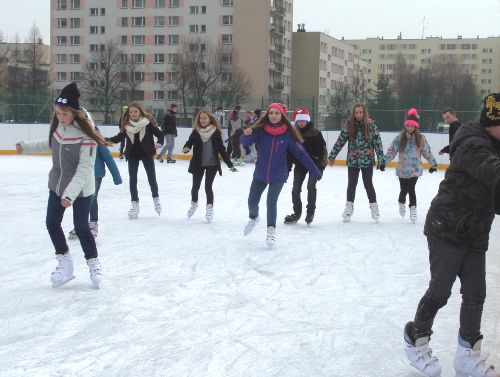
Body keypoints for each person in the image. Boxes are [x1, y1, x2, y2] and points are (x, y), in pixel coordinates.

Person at [403, 93, 500, 377]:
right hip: (447, 227)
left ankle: (467, 353)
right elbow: (492, 172)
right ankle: (416, 340)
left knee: (475, 294)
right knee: (440, 290)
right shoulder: (473, 143)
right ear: (491, 122)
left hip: (475, 231)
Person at [15, 82, 106, 288]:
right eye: (57, 113)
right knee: (51, 223)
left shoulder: (86, 136)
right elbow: (49, 143)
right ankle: (65, 263)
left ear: (74, 113)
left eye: (64, 114)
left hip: (80, 190)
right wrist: (26, 147)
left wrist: (69, 195)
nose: (60, 118)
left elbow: (84, 170)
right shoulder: (59, 127)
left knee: (82, 227)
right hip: (57, 185)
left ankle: (93, 263)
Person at [240, 103, 322, 247]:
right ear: (267, 115)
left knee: (271, 202)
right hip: (260, 173)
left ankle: (271, 230)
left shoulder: (288, 135)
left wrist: (316, 171)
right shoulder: (260, 131)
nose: (273, 115)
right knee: (252, 201)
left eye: (277, 113)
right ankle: (254, 217)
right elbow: (245, 142)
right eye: (271, 113)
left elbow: (302, 154)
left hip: (278, 175)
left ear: (281, 116)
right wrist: (246, 133)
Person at [328, 103, 384, 222]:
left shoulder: (371, 125)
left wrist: (381, 159)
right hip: (353, 160)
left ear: (364, 113)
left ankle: (374, 208)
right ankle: (349, 208)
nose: (359, 115)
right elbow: (340, 141)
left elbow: (377, 143)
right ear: (354, 113)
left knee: (368, 184)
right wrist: (332, 156)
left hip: (367, 160)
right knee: (351, 184)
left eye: (361, 112)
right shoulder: (349, 125)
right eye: (356, 112)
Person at [107, 102, 163, 219]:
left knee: (151, 178)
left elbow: (160, 134)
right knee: (133, 180)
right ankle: (135, 205)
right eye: (131, 112)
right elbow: (119, 138)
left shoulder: (147, 123)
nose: (133, 114)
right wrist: (106, 140)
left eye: (135, 111)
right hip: (132, 155)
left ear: (140, 112)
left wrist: (159, 142)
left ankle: (156, 199)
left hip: (146, 154)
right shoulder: (127, 125)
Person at [68, 118, 123, 239]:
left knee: (91, 199)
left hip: (96, 176)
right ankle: (79, 225)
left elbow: (109, 159)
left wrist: (117, 177)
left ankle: (93, 224)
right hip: (81, 176)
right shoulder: (79, 142)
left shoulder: (98, 143)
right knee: (79, 200)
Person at [380, 108, 437, 223]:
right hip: (402, 169)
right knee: (403, 190)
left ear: (415, 126)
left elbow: (426, 152)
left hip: (415, 169)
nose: (410, 128)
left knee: (411, 188)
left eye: (412, 126)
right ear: (405, 126)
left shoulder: (420, 138)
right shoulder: (400, 138)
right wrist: (383, 162)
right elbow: (392, 151)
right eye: (408, 126)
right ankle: (401, 202)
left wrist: (433, 164)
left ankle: (413, 207)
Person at [182, 110, 237, 222]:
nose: (202, 120)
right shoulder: (196, 131)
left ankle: (209, 207)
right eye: (201, 118)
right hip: (198, 163)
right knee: (195, 186)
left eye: (204, 118)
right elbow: (188, 143)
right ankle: (194, 203)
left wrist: (230, 165)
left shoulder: (216, 132)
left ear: (210, 119)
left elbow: (222, 150)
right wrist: (186, 148)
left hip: (212, 164)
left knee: (208, 186)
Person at [284, 107, 327, 225]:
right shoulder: (294, 133)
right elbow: (290, 153)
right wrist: (287, 169)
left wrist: (320, 167)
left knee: (310, 186)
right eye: (299, 120)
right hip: (300, 165)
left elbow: (322, 151)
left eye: (303, 120)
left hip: (315, 164)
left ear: (307, 120)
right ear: (296, 121)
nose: (301, 123)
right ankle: (296, 213)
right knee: (295, 189)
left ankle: (310, 213)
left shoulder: (316, 133)